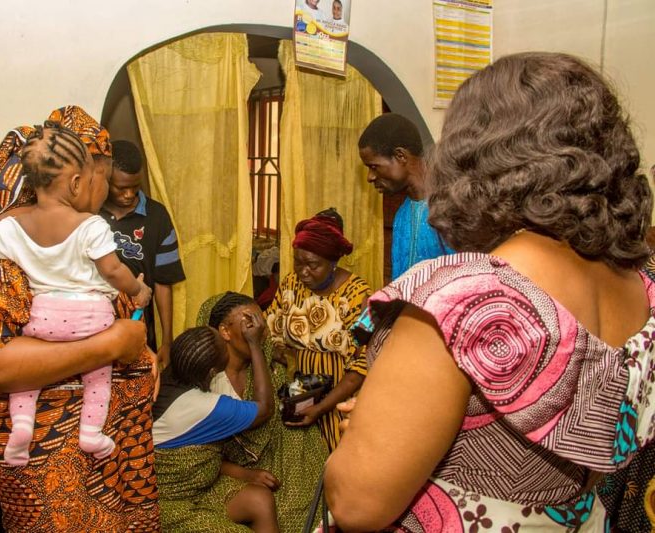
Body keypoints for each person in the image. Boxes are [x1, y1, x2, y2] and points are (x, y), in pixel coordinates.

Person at [325, 52, 655, 531]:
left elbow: (356, 505)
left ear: (477, 157)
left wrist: (370, 432)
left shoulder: (462, 299)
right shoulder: (640, 284)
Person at [0, 106, 159, 532]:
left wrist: (139, 353)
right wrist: (114, 344)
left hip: (100, 458)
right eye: (102, 175)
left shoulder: (80, 236)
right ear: (76, 179)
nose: (103, 188)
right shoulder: (5, 254)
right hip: (52, 456)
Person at [200, 291, 329, 532]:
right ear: (225, 332)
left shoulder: (267, 371)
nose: (258, 331)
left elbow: (277, 414)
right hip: (227, 469)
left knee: (307, 499)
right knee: (273, 508)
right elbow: (198, 453)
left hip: (281, 461)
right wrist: (245, 474)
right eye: (249, 323)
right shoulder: (208, 382)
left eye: (260, 323)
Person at [153, 323, 278, 532]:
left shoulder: (170, 375)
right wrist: (255, 345)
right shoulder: (203, 406)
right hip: (172, 504)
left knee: (260, 500)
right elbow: (265, 409)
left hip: (201, 487)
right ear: (212, 372)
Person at [265, 207, 370, 451]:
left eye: (313, 264)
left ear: (333, 262)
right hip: (301, 393)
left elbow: (362, 364)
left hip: (339, 401)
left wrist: (322, 407)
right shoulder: (291, 284)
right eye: (298, 262)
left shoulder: (359, 295)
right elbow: (271, 326)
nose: (303, 272)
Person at [100, 140, 185, 369]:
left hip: (138, 329)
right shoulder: (90, 213)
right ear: (106, 178)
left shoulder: (157, 216)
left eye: (135, 187)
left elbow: (163, 283)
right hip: (94, 327)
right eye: (120, 188)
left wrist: (167, 340)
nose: (129, 194)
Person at [359, 112, 453, 280]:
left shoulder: (451, 209)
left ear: (400, 156)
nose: (370, 177)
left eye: (374, 166)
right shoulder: (402, 215)